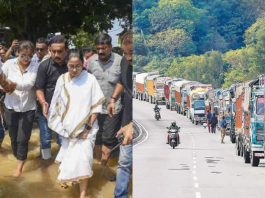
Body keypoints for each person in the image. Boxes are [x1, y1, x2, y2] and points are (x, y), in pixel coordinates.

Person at [47, 49, 104, 198]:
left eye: (77, 66)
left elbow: (96, 106)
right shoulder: (62, 79)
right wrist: (58, 125)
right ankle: (70, 186)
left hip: (87, 130)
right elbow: (56, 105)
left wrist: (87, 128)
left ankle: (82, 195)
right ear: (66, 64)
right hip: (67, 130)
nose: (74, 69)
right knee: (68, 161)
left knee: (84, 162)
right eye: (71, 66)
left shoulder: (90, 79)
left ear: (82, 64)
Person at [87, 33, 123, 181]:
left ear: (110, 47)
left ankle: (103, 166)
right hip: (94, 107)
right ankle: (98, 165)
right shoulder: (91, 62)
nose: (101, 52)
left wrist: (113, 99)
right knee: (96, 137)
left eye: (104, 48)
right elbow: (87, 82)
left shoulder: (120, 61)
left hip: (112, 107)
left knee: (108, 139)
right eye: (98, 49)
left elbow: (121, 82)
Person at [2, 40, 38, 177]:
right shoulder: (8, 64)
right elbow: (1, 81)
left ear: (33, 55)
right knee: (13, 137)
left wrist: (11, 84)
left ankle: (19, 167)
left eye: (29, 56)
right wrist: (4, 87)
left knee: (23, 138)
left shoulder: (35, 66)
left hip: (28, 108)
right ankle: (19, 158)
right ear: (17, 53)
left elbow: (28, 84)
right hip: (10, 106)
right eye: (23, 55)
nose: (26, 59)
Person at [107, 31, 133, 197]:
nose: (128, 57)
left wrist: (132, 126)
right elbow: (122, 82)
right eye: (125, 53)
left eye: (132, 53)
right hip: (127, 117)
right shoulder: (125, 61)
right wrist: (113, 99)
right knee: (124, 161)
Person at [35, 35, 68, 160]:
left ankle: (62, 164)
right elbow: (39, 88)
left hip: (65, 111)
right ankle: (46, 162)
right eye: (53, 51)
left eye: (60, 51)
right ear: (49, 50)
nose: (56, 54)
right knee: (45, 138)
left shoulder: (71, 65)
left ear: (66, 51)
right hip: (46, 110)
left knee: (63, 138)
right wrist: (43, 103)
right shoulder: (44, 66)